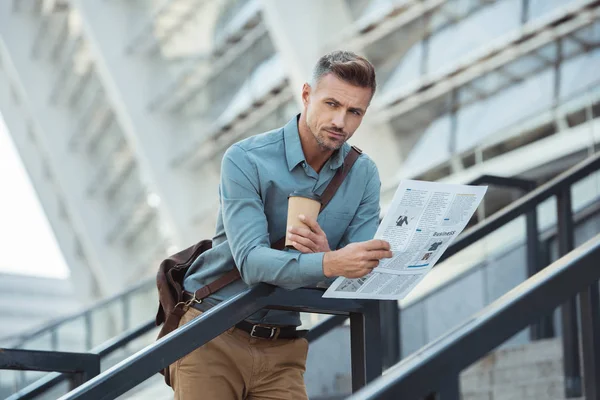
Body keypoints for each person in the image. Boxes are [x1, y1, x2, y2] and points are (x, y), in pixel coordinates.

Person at [171, 50, 392, 400]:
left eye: (354, 112)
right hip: (212, 332)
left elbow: (358, 272)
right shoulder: (245, 159)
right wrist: (329, 263)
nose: (341, 122)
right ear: (306, 95)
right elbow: (252, 262)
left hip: (283, 346)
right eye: (331, 104)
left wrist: (332, 259)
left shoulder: (364, 175)